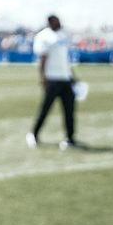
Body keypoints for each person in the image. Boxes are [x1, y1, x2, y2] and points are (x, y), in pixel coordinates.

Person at [27, 14, 81, 149]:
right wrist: (43, 78)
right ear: (51, 22)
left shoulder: (63, 35)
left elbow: (65, 59)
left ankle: (70, 138)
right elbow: (42, 59)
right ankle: (33, 134)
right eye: (57, 21)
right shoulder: (43, 36)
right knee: (45, 109)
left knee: (69, 111)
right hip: (52, 79)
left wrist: (72, 76)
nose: (60, 23)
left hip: (65, 79)